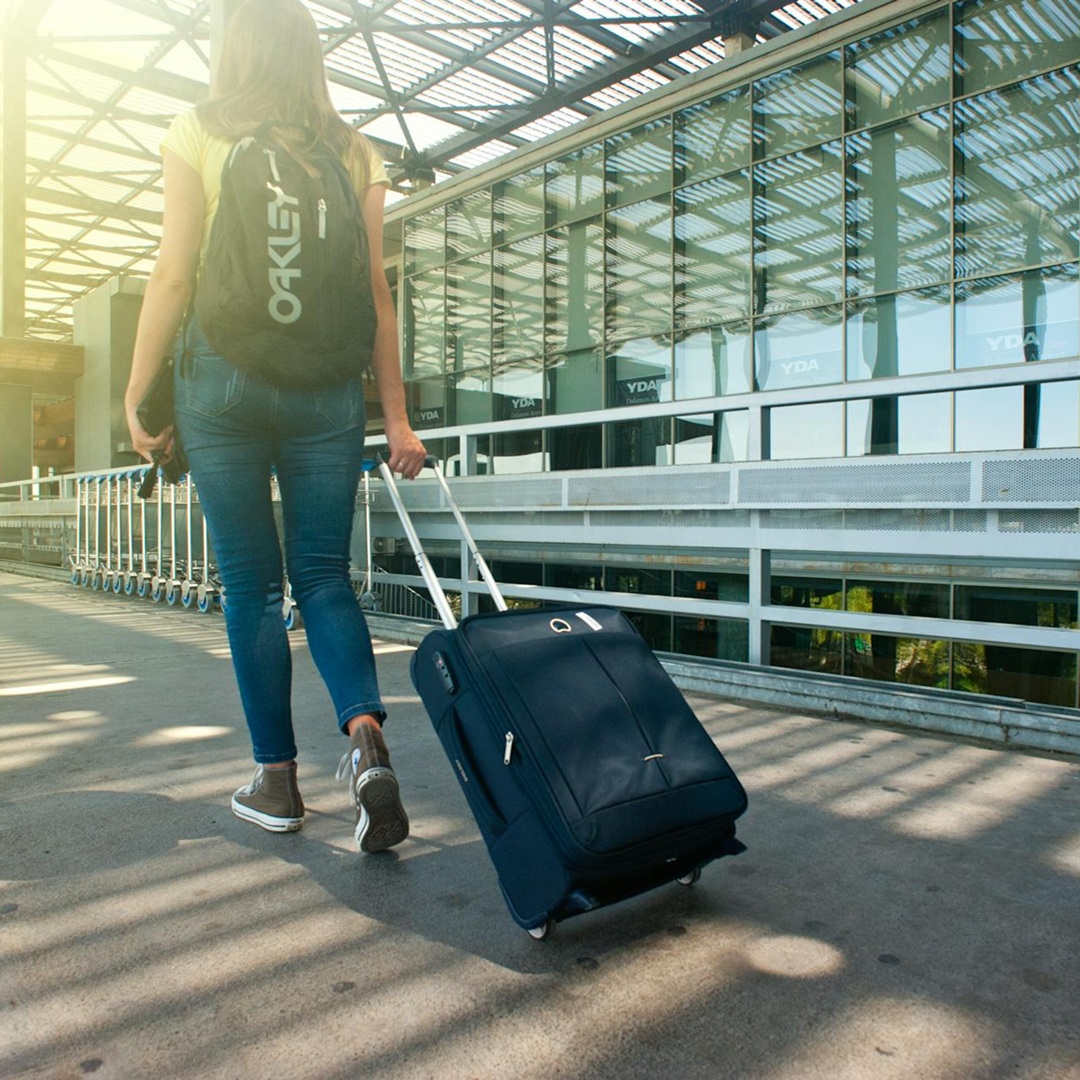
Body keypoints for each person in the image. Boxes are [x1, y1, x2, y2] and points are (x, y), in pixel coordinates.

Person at [124, 0, 426, 852]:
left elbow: (173, 274)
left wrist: (139, 389)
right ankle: (367, 743)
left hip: (220, 383)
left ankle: (277, 781)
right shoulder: (354, 149)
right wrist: (396, 418)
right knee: (325, 576)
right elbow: (376, 295)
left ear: (233, 46)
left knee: (252, 585)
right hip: (327, 392)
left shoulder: (199, 129)